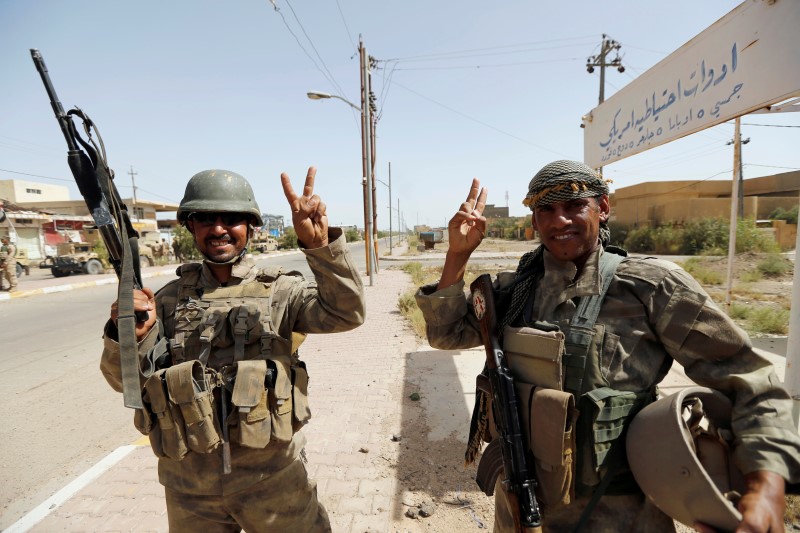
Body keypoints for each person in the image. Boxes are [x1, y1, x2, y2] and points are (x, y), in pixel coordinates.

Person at [415, 160, 800, 533]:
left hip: (619, 516)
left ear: (602, 208)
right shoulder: (516, 289)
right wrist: (457, 255)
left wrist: (765, 487)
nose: (559, 220)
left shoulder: (651, 286)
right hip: (520, 506)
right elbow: (446, 333)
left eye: (574, 205)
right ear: (535, 221)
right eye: (546, 210)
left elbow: (751, 380)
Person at [101, 168, 365, 532]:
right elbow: (124, 383)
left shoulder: (282, 292)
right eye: (206, 218)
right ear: (190, 227)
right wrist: (127, 332)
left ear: (251, 227)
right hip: (190, 487)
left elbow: (346, 313)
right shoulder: (164, 301)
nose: (219, 228)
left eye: (232, 218)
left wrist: (320, 248)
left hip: (272, 478)